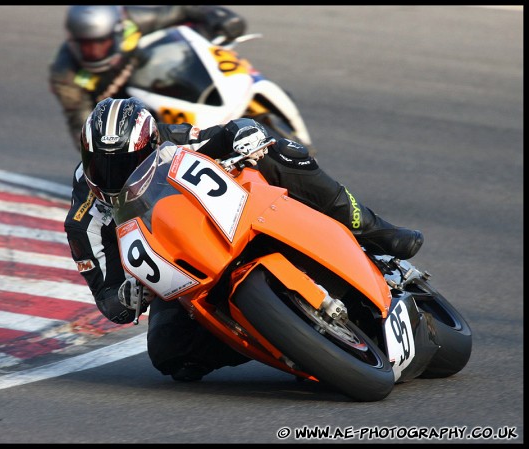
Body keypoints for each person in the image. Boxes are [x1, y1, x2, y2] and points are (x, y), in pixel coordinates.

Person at [64, 97, 424, 382]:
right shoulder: (84, 220)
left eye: (127, 164)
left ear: (151, 143)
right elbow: (108, 299)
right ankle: (291, 343)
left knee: (280, 150)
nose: (113, 177)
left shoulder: (170, 139)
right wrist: (126, 298)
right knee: (170, 356)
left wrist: (245, 134)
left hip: (226, 216)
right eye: (101, 166)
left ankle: (373, 229)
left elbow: (225, 132)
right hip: (181, 271)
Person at [49, 5, 246, 153]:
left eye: (101, 42)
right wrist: (105, 150)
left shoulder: (133, 23)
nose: (94, 51)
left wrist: (217, 16)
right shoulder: (65, 75)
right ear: (73, 40)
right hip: (130, 120)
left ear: (116, 31)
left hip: (163, 81)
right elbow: (82, 124)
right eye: (86, 45)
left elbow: (180, 10)